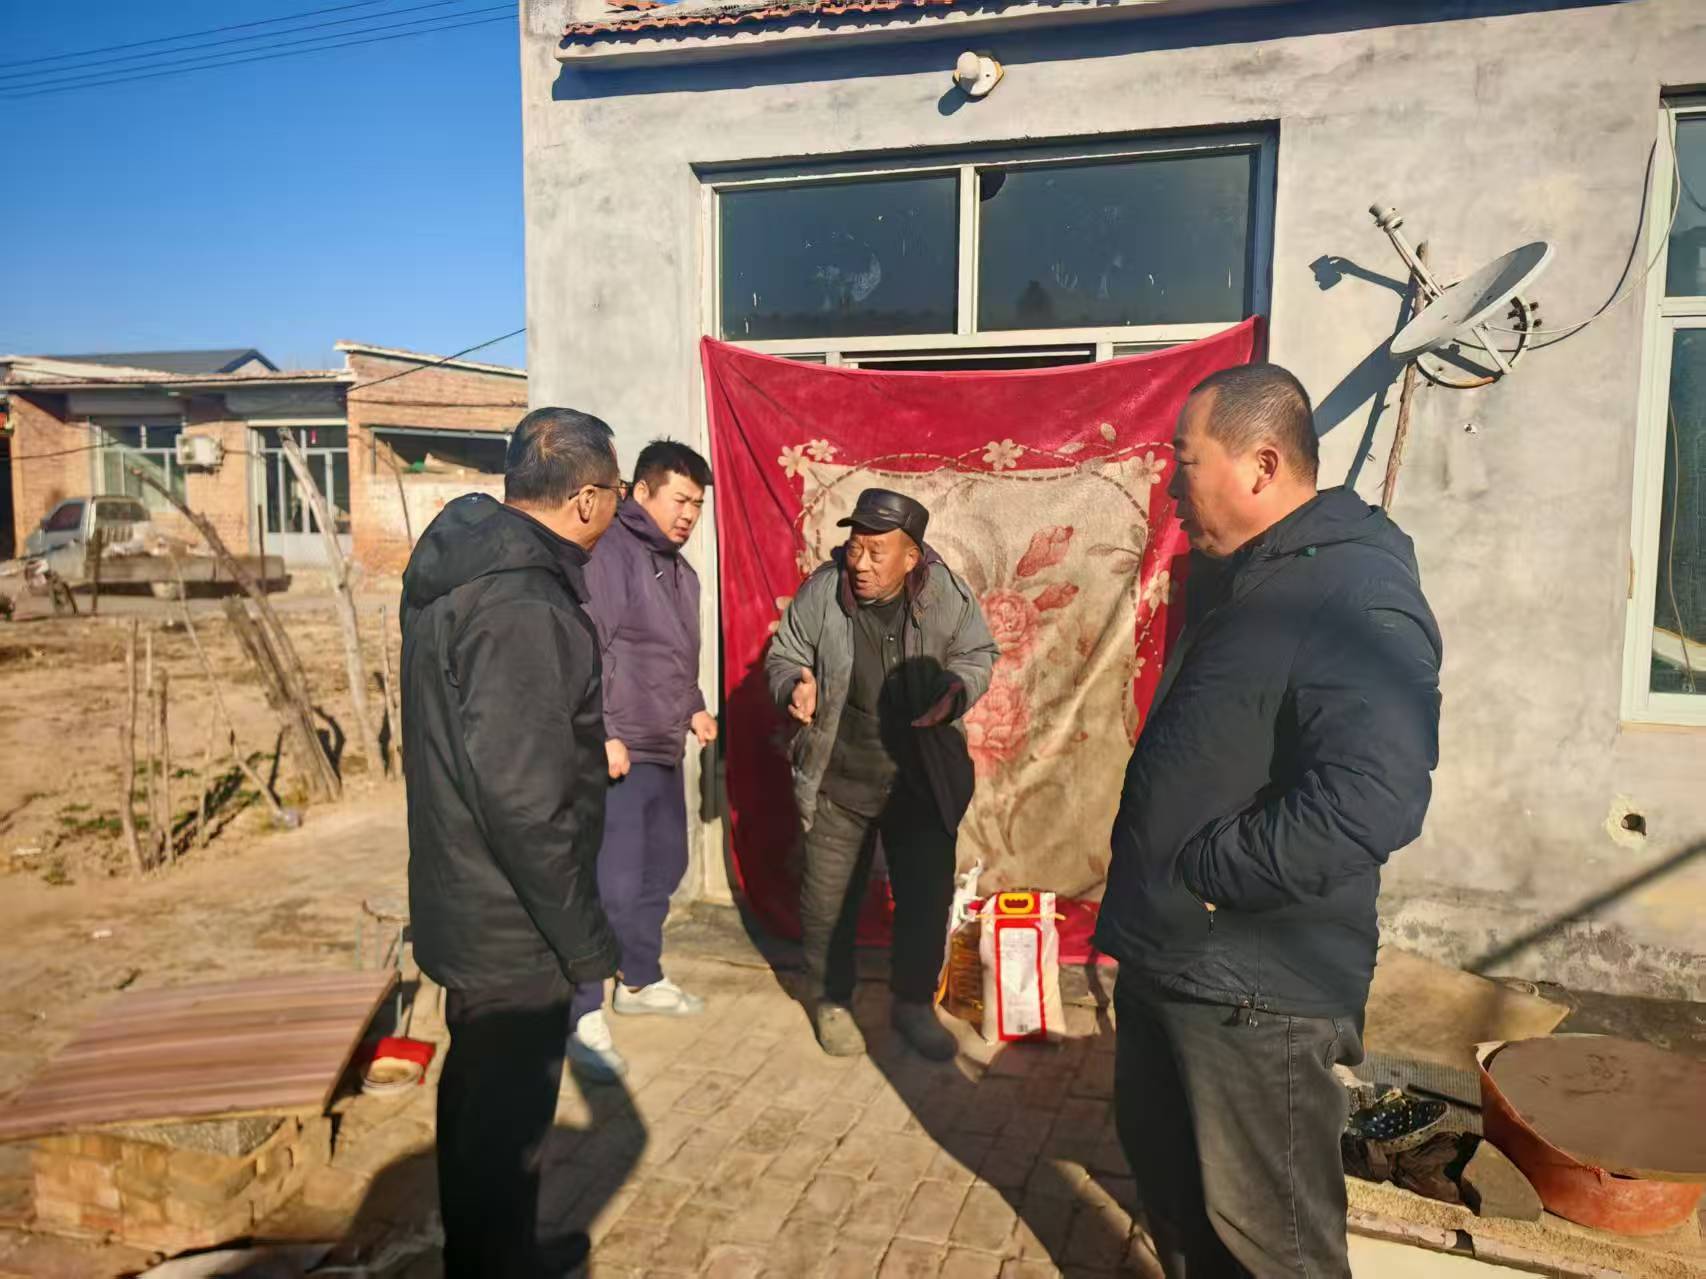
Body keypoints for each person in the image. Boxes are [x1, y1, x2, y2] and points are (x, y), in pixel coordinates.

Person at [1095, 364, 1443, 1278]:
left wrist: (1208, 872)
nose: (1171, 485)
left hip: (1255, 993)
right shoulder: (1245, 576)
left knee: (1272, 1249)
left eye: (1185, 461)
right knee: (1180, 1212)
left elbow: (1374, 796)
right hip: (1175, 965)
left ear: (1260, 464)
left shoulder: (1353, 591)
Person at [399, 407, 624, 1279]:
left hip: (470, 892)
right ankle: (495, 1263)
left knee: (483, 1110)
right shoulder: (523, 602)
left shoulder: (467, 569)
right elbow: (526, 802)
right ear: (587, 499)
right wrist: (584, 939)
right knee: (505, 1121)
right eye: (615, 492)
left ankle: (499, 1253)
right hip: (512, 917)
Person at [766, 488, 999, 1060]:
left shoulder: (945, 594)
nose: (861, 564)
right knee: (827, 901)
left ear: (911, 556)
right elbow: (785, 652)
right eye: (855, 548)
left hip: (920, 780)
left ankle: (913, 1005)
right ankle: (831, 1001)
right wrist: (794, 683)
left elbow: (978, 654)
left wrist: (956, 690)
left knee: (924, 899)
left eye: (877, 551)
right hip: (841, 776)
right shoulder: (825, 591)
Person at [567, 439, 717, 1082]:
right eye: (680, 500)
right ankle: (581, 1011)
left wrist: (695, 707)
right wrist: (601, 732)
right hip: (620, 749)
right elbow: (589, 647)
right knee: (612, 884)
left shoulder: (680, 573)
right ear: (643, 491)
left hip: (662, 743)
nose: (689, 515)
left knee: (664, 867)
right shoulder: (613, 555)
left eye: (698, 505)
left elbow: (673, 655)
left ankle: (639, 978)